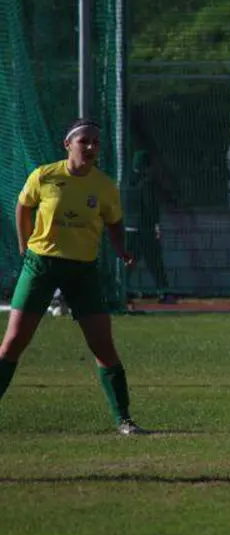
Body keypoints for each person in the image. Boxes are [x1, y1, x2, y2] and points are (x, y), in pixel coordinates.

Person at [0, 119, 141, 434]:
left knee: (102, 345)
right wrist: (25, 244)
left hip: (83, 270)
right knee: (13, 342)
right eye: (84, 141)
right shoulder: (45, 176)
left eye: (95, 142)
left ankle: (124, 420)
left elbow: (114, 220)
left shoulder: (104, 186)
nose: (91, 148)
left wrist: (121, 248)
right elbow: (23, 206)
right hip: (41, 265)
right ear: (68, 145)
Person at [123, 150, 176, 304]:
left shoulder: (126, 182)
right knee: (155, 262)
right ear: (146, 166)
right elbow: (151, 206)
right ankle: (164, 292)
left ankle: (121, 290)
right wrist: (157, 226)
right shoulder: (146, 183)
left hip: (128, 227)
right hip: (144, 229)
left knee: (129, 261)